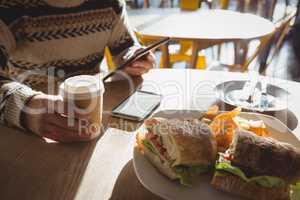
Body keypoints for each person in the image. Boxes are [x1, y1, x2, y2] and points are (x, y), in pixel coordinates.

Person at [0, 0, 155, 142]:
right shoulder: (10, 7)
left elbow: (125, 48)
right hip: (29, 131)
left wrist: (133, 58)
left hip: (94, 113)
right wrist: (23, 107)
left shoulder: (111, 3)